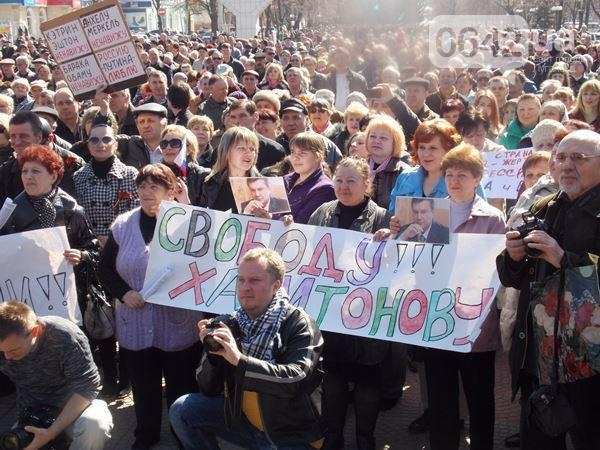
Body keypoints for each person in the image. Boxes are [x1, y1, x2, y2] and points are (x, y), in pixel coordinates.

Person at [390, 143, 505, 450]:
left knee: (480, 396)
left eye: (463, 175)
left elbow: (496, 271)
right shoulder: (430, 212)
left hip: (475, 321)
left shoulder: (492, 217)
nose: (455, 181)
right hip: (437, 318)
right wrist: (396, 235)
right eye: (450, 174)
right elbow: (411, 264)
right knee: (441, 397)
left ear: (478, 178)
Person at [496, 129, 600, 449]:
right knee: (538, 441)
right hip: (538, 356)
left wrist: (564, 259)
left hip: (590, 362)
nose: (567, 165)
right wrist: (513, 258)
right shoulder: (541, 207)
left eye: (579, 158)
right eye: (561, 157)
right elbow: (513, 277)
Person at [169, 248, 324, 449]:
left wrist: (239, 360)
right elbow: (208, 388)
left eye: (254, 280)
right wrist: (214, 355)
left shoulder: (299, 323)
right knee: (182, 410)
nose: (245, 287)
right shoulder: (232, 322)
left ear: (276, 285)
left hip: (288, 432)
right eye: (241, 280)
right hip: (245, 423)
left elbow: (295, 379)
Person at [99, 164, 203, 450]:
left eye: (154, 187)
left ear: (170, 191)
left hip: (178, 325)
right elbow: (105, 268)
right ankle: (146, 435)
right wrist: (124, 293)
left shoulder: (187, 226)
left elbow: (205, 266)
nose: (146, 192)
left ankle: (184, 436)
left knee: (181, 388)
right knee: (144, 389)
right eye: (142, 186)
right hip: (135, 324)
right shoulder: (122, 225)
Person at [308, 157, 390, 450]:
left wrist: (391, 240)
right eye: (339, 181)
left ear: (366, 184)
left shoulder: (381, 217)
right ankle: (334, 437)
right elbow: (307, 255)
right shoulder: (322, 213)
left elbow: (397, 266)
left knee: (368, 383)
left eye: (351, 181)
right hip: (331, 313)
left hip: (367, 316)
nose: (343, 187)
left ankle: (365, 438)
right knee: (333, 380)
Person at [0, 301, 113, 450]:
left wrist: (50, 433)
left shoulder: (64, 335)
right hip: (33, 412)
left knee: (94, 425)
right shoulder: (5, 347)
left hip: (75, 406)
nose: (7, 357)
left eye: (14, 350)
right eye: (2, 352)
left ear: (36, 331)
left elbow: (87, 387)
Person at [73, 117, 139, 245]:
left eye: (106, 139)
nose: (100, 144)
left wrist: (113, 240)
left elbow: (137, 216)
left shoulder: (131, 174)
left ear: (115, 144)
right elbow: (77, 221)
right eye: (94, 140)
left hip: (123, 245)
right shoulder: (78, 177)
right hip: (89, 247)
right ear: (88, 145)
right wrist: (94, 241)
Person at [0, 111, 84, 204]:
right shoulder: (7, 171)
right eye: (13, 136)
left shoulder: (71, 163)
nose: (18, 141)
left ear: (39, 138)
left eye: (24, 136)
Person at [388, 119, 463, 212]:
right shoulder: (405, 177)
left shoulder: (465, 180)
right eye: (422, 147)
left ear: (449, 150)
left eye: (433, 148)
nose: (426, 154)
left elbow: (479, 220)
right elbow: (391, 214)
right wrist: (393, 223)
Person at [195, 126, 261, 212]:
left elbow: (276, 220)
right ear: (226, 151)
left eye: (252, 149)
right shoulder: (209, 182)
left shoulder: (264, 185)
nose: (249, 153)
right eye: (241, 148)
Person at [278, 131, 335, 224]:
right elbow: (273, 214)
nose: (295, 157)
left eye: (302, 153)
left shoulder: (326, 189)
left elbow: (304, 223)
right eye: (293, 152)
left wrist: (282, 221)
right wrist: (264, 215)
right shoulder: (284, 180)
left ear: (318, 156)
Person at [276, 98, 342, 168]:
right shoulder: (275, 147)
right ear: (280, 121)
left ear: (307, 119)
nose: (291, 123)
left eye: (296, 117)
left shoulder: (324, 145)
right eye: (286, 118)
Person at [365, 114, 411, 208]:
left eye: (383, 138)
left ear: (395, 142)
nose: (377, 141)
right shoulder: (359, 167)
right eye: (373, 136)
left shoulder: (404, 172)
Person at [159, 124, 209, 206]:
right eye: (164, 144)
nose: (168, 147)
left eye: (174, 143)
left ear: (189, 149)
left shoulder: (203, 176)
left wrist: (185, 202)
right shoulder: (154, 174)